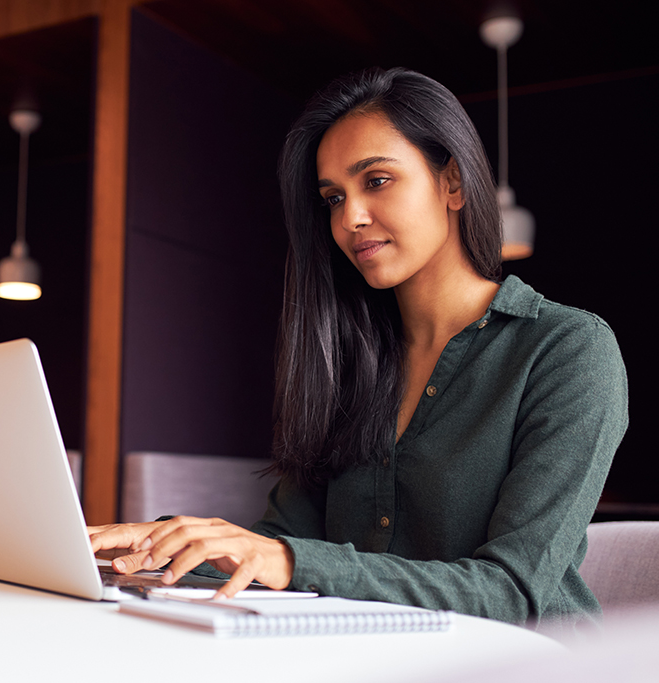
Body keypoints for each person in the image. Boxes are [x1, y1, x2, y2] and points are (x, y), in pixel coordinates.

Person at [87, 67, 628, 633]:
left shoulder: (568, 350)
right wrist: (156, 548)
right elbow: (275, 545)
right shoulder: (352, 364)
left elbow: (512, 592)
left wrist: (289, 561)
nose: (350, 219)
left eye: (377, 180)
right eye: (332, 197)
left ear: (454, 183)